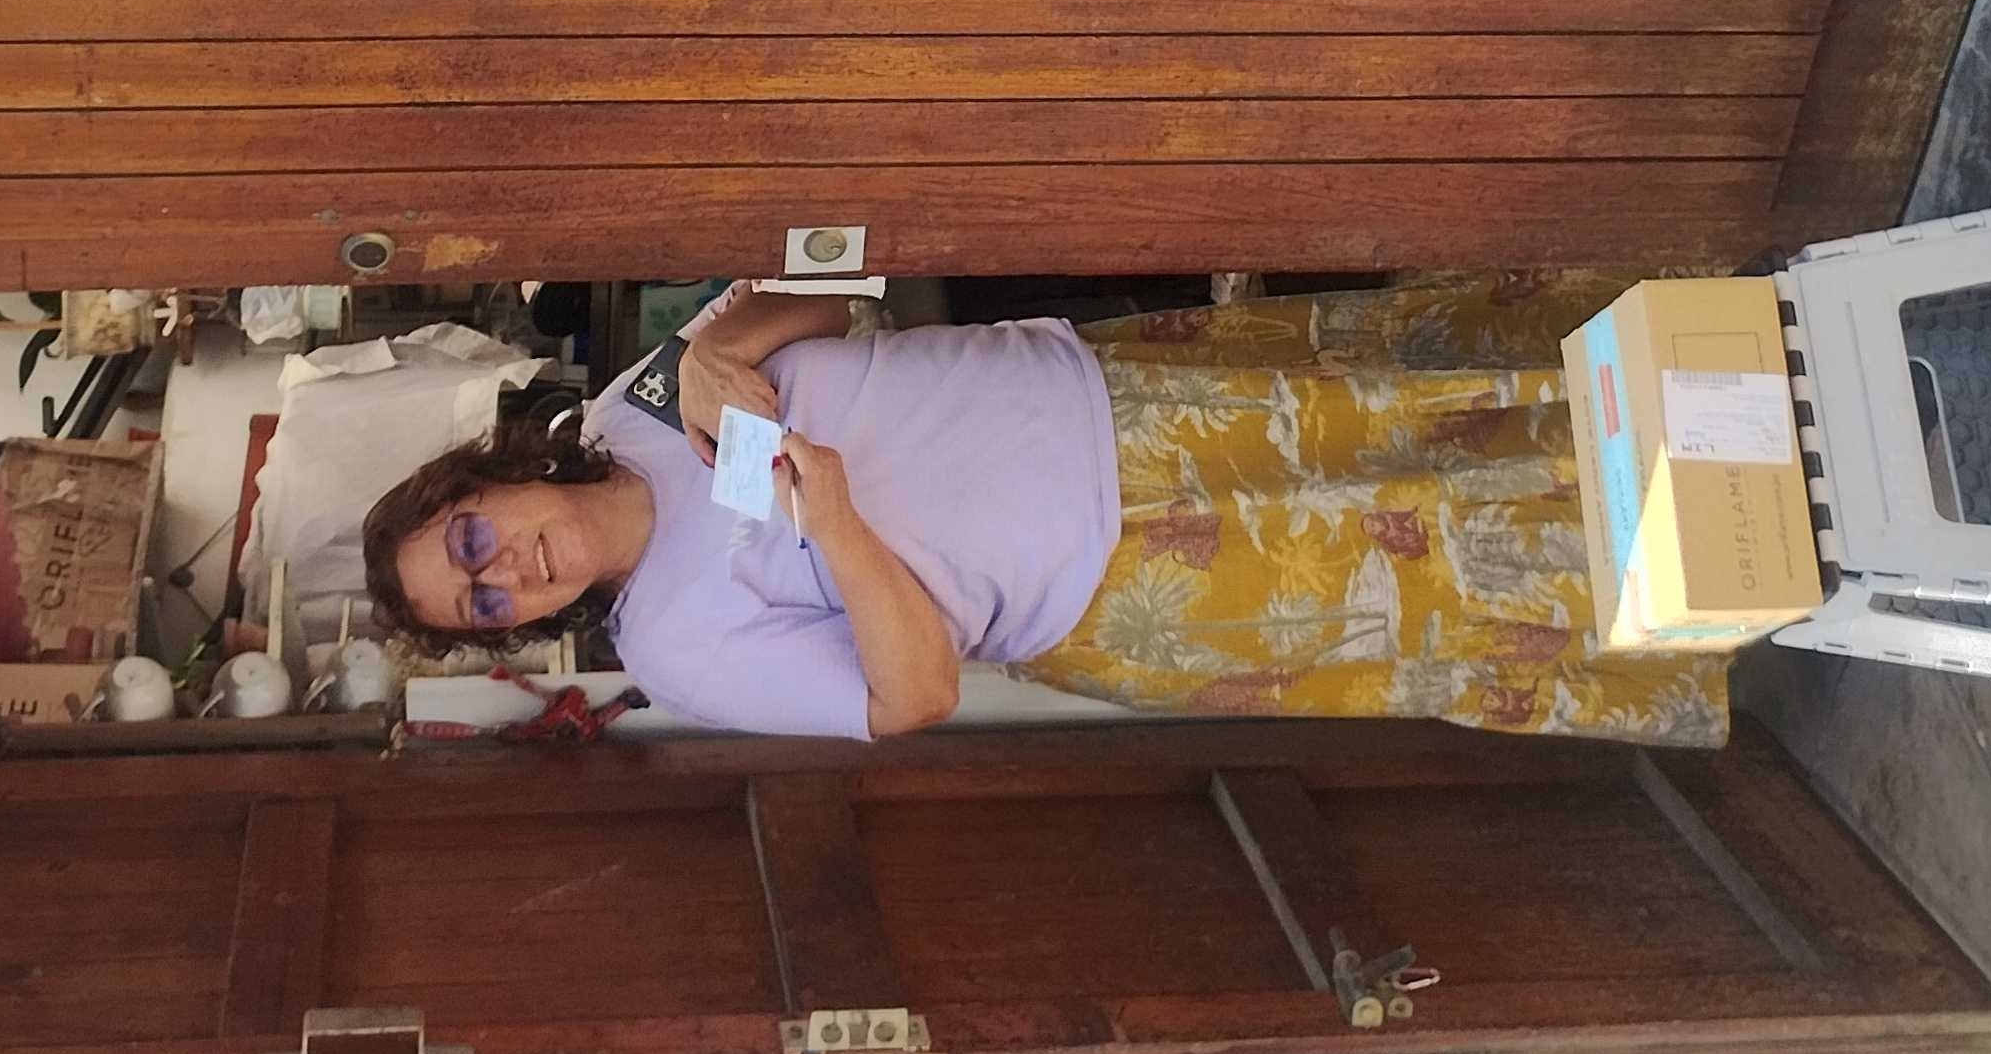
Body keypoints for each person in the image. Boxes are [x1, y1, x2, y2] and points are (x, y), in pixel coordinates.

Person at [359, 287, 1723, 745]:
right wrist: (837, 525)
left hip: (1120, 389)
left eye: (472, 542)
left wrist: (720, 343)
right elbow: (912, 697)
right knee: (1453, 559)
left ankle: (1720, 372)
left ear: (486, 482)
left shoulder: (630, 407)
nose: (507, 572)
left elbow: (834, 295)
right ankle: (1739, 551)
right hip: (1130, 574)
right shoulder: (675, 649)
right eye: (486, 606)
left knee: (1427, 401)